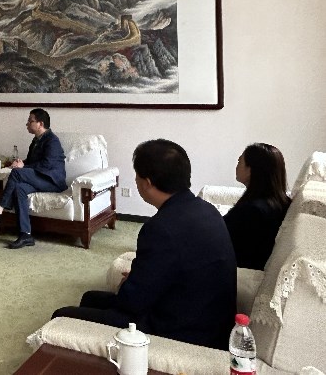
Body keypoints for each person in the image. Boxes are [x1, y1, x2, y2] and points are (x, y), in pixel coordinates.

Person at [51, 139, 236, 350]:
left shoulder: (160, 228)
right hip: (208, 318)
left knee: (61, 315)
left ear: (147, 183)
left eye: (137, 175)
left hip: (180, 331)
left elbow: (131, 302)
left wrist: (128, 284)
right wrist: (138, 279)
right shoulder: (207, 209)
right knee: (90, 298)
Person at [0, 108, 66, 249]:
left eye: (30, 121)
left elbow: (47, 164)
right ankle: (26, 235)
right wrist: (20, 162)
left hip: (52, 181)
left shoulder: (52, 140)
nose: (27, 124)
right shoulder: (35, 140)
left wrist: (22, 167)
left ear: (40, 124)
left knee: (17, 173)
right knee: (19, 189)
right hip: (41, 178)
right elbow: (30, 162)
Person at [224, 143, 291, 270]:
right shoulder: (280, 202)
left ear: (251, 170)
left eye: (239, 161)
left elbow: (222, 237)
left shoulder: (252, 211)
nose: (236, 166)